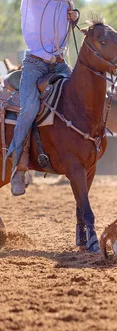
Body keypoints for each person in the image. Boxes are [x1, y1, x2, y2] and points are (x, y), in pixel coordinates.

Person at [8, 0, 79, 196]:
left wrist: (74, 16)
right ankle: (17, 170)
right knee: (29, 109)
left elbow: (64, 19)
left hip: (59, 63)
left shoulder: (66, 2)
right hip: (34, 64)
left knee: (81, 98)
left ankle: (82, 153)